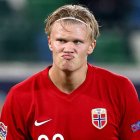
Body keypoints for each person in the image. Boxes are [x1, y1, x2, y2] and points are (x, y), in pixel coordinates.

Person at [0, 4, 140, 140]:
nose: (68, 48)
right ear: (49, 43)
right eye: (61, 40)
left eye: (77, 42)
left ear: (91, 46)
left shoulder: (120, 89)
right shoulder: (20, 96)